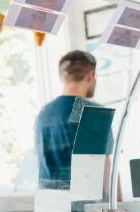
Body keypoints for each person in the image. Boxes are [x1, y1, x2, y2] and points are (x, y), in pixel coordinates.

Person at [34, 50, 99, 189]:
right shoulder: (91, 112)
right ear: (90, 75)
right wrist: (117, 204)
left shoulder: (43, 113)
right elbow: (103, 167)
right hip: (83, 205)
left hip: (49, 203)